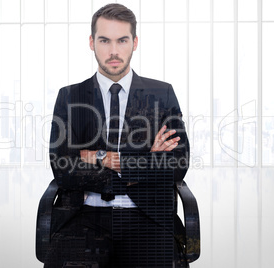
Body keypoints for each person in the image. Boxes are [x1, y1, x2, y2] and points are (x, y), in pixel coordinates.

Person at [45, 3, 190, 268]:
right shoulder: (70, 97)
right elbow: (63, 167)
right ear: (92, 42)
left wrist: (99, 157)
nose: (113, 51)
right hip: (83, 217)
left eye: (122, 40)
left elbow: (178, 163)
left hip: (147, 217)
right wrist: (145, 162)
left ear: (135, 42)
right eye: (104, 40)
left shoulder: (161, 94)